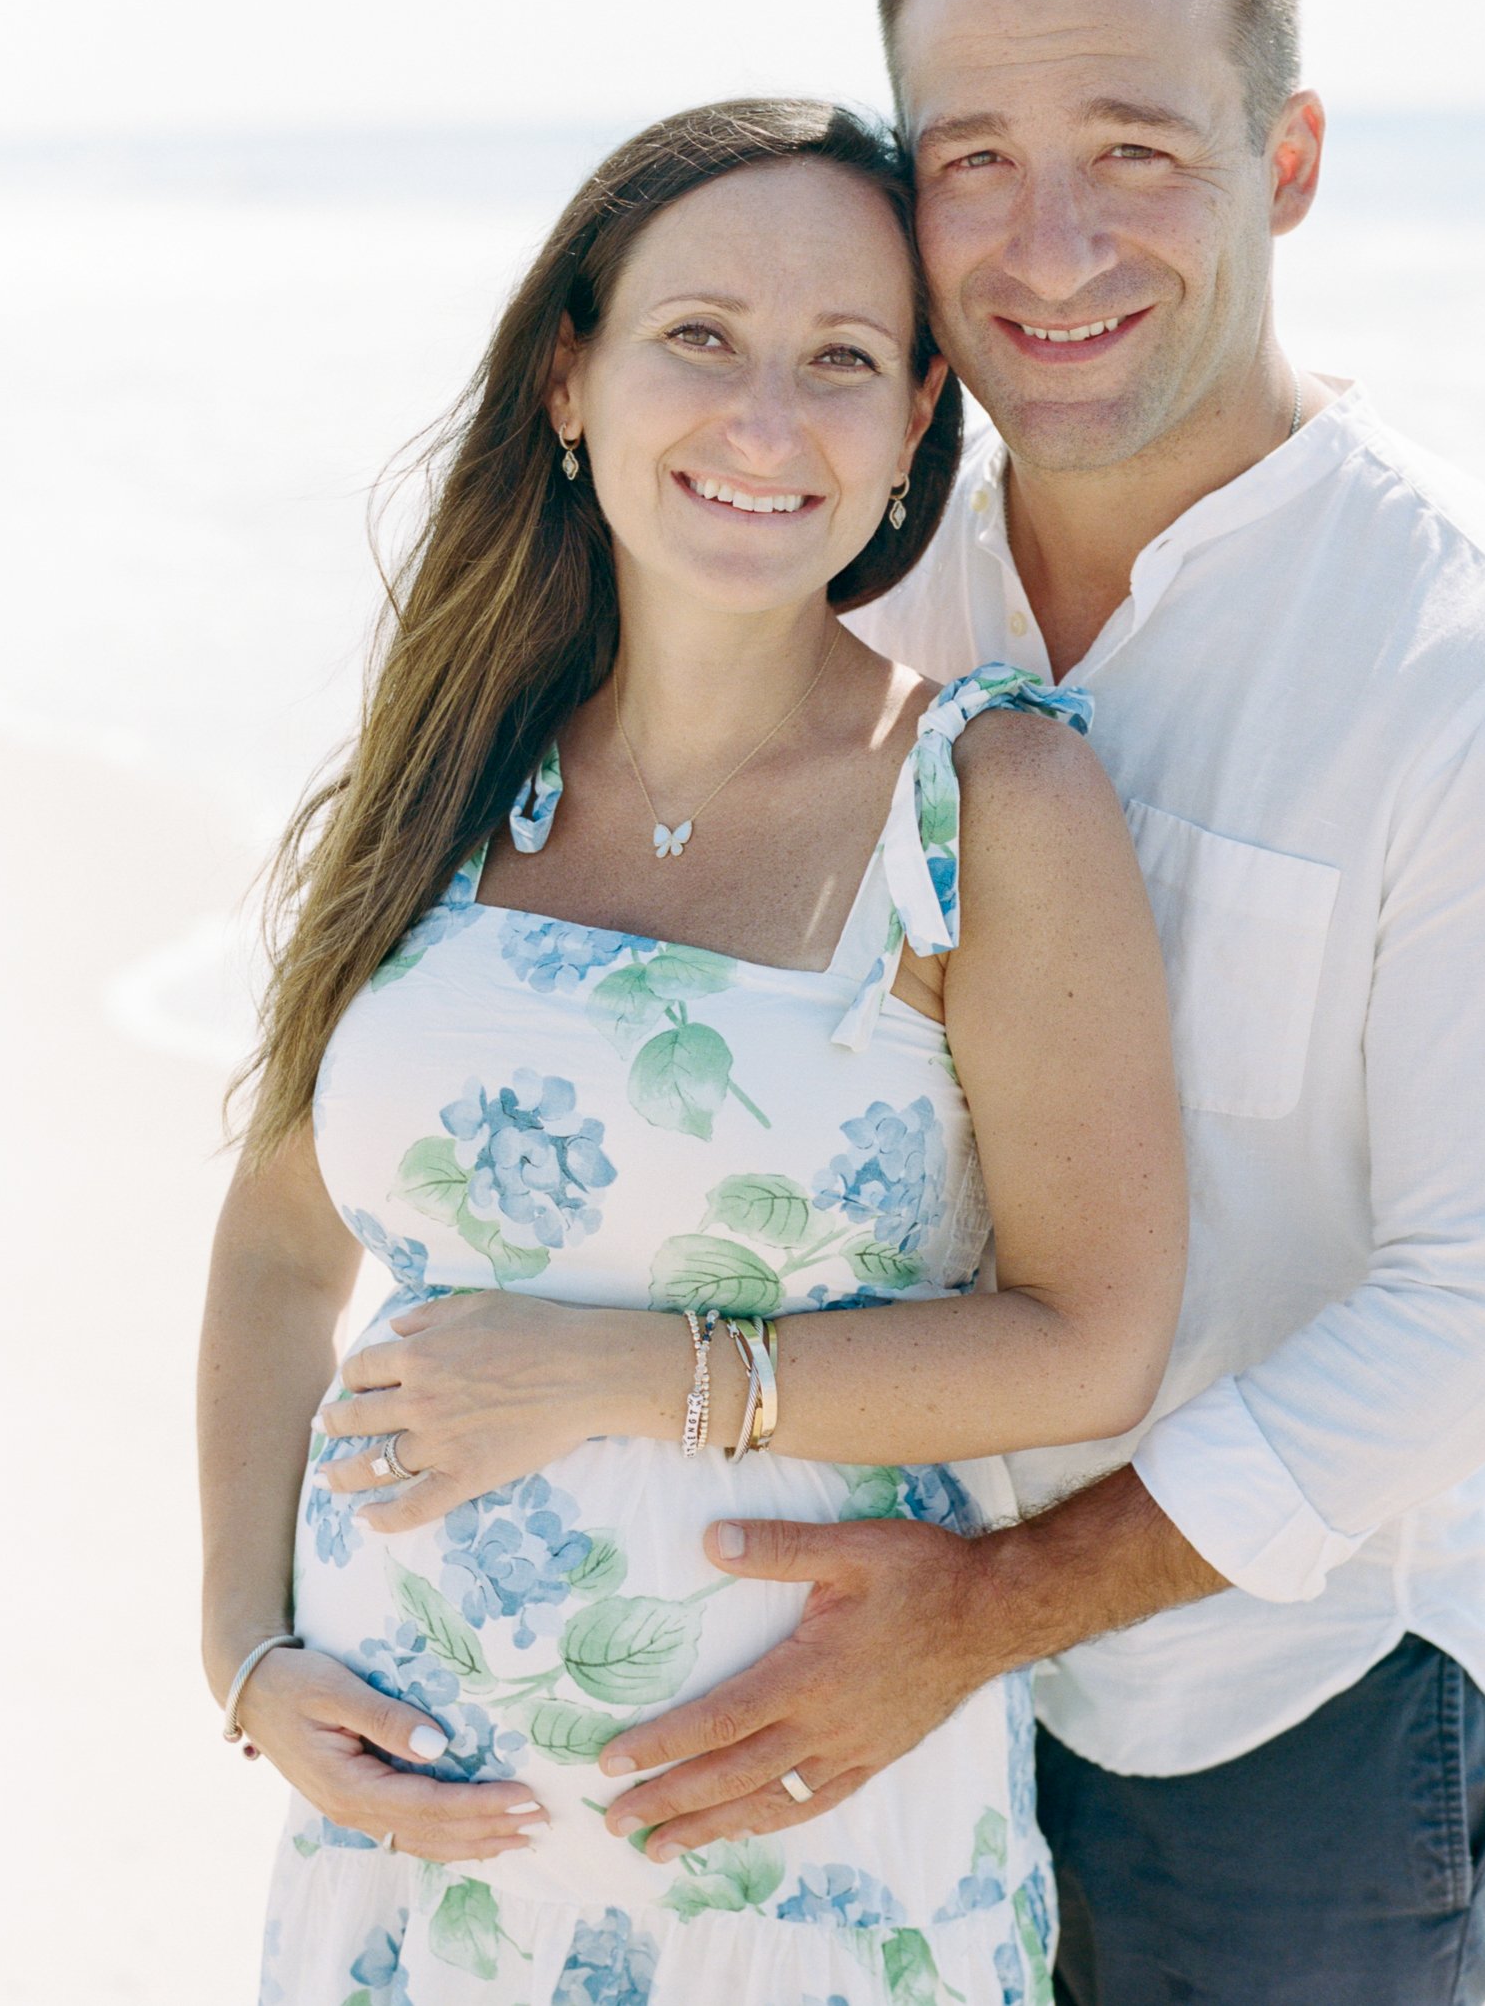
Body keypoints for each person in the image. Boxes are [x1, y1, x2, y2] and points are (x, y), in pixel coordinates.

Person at [575, 0, 1485, 2004]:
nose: (1051, 240)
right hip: (833, 1670)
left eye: (1134, 148)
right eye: (972, 156)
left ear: (1282, 160)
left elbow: (1483, 1316)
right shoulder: (847, 594)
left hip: (1266, 1727)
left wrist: (985, 1613)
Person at [199, 97, 1189, 2006]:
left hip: (792, 1851)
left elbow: (1091, 1334)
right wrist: (247, 1657)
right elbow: (274, 1246)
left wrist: (620, 1374)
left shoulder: (990, 791)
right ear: (569, 380)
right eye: (699, 340)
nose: (762, 421)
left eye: (838, 362)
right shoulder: (440, 770)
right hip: (412, 1841)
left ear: (914, 426)